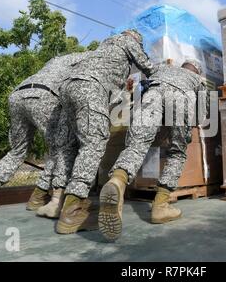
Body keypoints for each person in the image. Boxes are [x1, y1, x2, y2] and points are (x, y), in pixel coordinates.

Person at [55, 29, 158, 234]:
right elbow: (149, 66)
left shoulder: (102, 48)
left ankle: (62, 200)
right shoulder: (127, 41)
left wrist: (126, 90)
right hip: (89, 87)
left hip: (67, 88)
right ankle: (71, 211)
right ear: (136, 39)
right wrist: (161, 76)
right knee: (93, 143)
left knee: (71, 146)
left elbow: (112, 89)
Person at [0, 52, 93, 216]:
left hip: (17, 95)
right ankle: (39, 196)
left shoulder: (53, 60)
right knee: (58, 148)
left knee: (16, 151)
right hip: (43, 95)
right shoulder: (84, 57)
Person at [98, 59, 208, 241]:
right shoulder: (197, 81)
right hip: (182, 100)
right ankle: (161, 205)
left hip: (152, 96)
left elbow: (138, 81)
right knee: (177, 152)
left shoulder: (162, 67)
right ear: (196, 71)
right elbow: (201, 115)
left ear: (182, 66)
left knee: (136, 144)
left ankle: (118, 180)